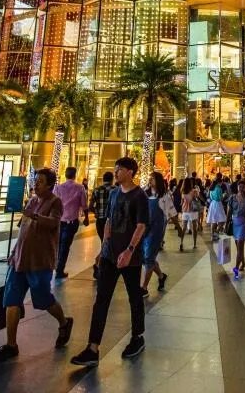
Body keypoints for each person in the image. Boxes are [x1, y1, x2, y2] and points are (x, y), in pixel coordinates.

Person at [71, 157, 150, 368]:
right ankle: (93, 348)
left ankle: (137, 337)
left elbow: (141, 225)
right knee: (101, 300)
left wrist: (130, 250)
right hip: (109, 255)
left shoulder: (139, 196)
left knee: (135, 297)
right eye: (115, 169)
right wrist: (102, 247)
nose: (116, 173)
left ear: (131, 172)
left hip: (130, 259)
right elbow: (109, 221)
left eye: (120, 169)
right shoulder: (114, 193)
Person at [0, 168, 73, 365]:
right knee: (11, 300)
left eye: (40, 182)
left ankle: (64, 322)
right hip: (19, 260)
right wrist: (14, 252)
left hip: (40, 261)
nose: (36, 185)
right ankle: (11, 345)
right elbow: (23, 229)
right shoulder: (32, 201)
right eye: (35, 181)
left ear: (50, 185)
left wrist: (34, 216)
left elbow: (53, 223)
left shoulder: (55, 202)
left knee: (44, 300)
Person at [55, 166, 87, 281]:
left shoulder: (58, 188)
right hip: (72, 222)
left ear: (65, 174)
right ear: (75, 174)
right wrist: (86, 217)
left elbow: (54, 203)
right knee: (65, 246)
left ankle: (56, 266)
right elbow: (84, 204)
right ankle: (59, 269)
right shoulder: (80, 188)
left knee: (58, 245)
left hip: (59, 221)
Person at [140, 172, 168, 296]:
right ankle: (161, 276)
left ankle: (144, 287)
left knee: (149, 257)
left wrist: (178, 228)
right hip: (144, 229)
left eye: (153, 178)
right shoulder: (144, 193)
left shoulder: (164, 196)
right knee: (146, 258)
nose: (150, 180)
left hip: (156, 230)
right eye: (149, 178)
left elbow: (171, 213)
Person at [89, 171, 114, 278]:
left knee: (104, 242)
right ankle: (98, 264)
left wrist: (97, 213)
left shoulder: (96, 190)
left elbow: (90, 206)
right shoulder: (115, 190)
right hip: (111, 221)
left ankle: (100, 264)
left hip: (100, 221)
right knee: (107, 243)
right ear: (112, 179)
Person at [228, 180, 245, 279]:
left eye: (243, 187)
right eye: (240, 186)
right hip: (235, 223)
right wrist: (226, 223)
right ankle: (243, 263)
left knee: (240, 245)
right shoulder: (232, 198)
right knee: (238, 247)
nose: (241, 188)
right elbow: (229, 211)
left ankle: (236, 267)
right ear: (237, 187)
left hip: (243, 223)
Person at [179, 178, 200, 251]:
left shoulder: (182, 191)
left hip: (185, 211)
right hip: (192, 211)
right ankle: (194, 244)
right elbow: (196, 198)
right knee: (194, 228)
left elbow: (181, 202)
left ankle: (181, 242)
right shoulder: (193, 191)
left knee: (183, 228)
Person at [206, 175, 227, 240]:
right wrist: (224, 195)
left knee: (213, 220)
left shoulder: (211, 188)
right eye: (221, 183)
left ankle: (213, 236)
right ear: (219, 182)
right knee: (222, 220)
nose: (221, 184)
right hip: (218, 204)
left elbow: (210, 197)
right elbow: (220, 198)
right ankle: (216, 232)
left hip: (212, 204)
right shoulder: (219, 188)